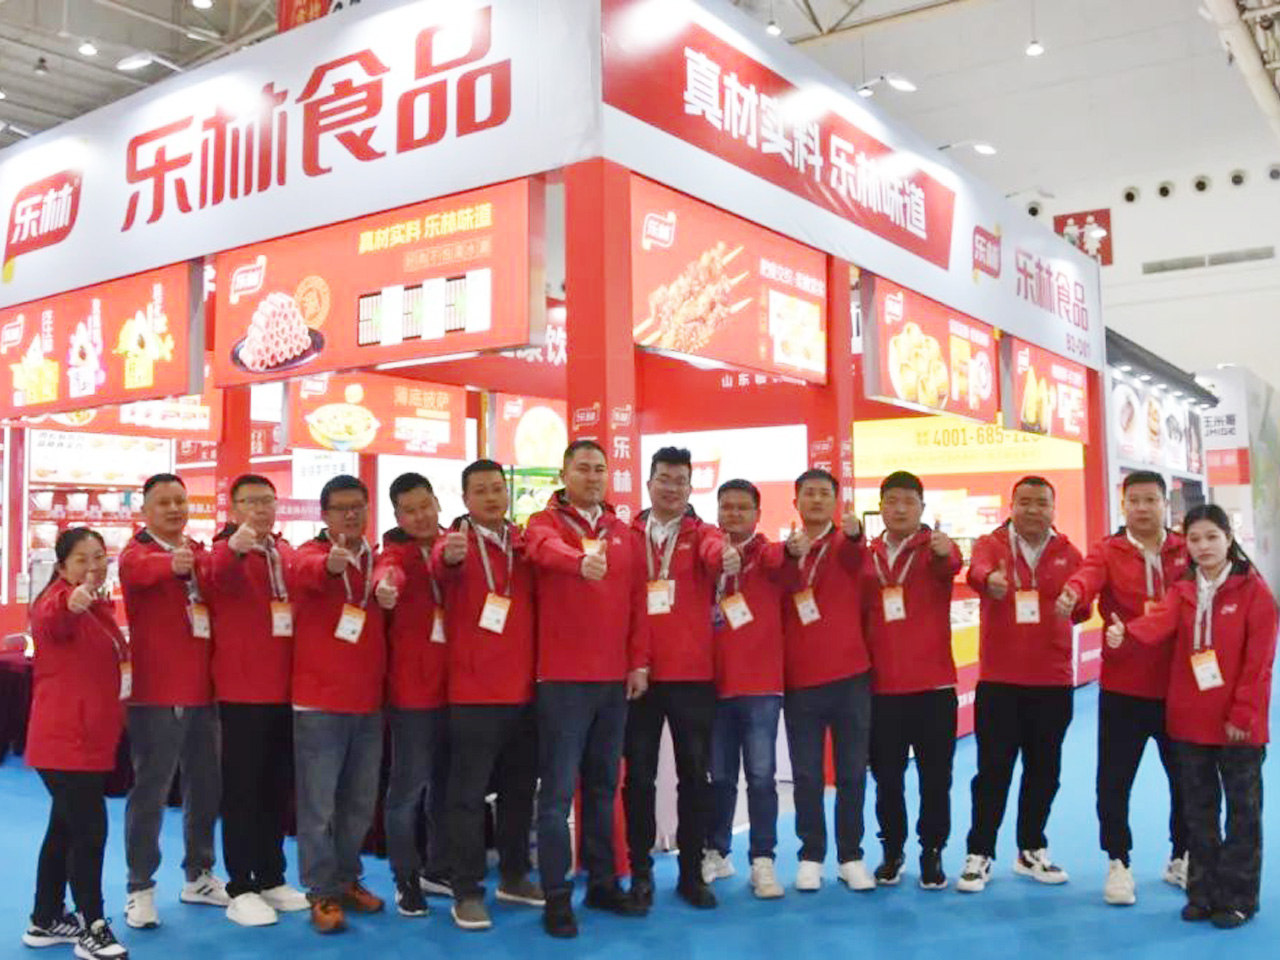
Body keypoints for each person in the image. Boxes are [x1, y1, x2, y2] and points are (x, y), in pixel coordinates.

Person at [1106, 504, 1278, 929]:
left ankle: (1238, 898)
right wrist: (1125, 633)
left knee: (1242, 815)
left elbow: (1259, 664)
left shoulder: (1255, 592)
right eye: (1195, 539)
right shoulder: (1182, 590)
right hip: (1189, 721)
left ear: (1228, 539)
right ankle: (1202, 893)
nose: (1203, 547)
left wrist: (1243, 713)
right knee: (1198, 814)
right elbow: (1157, 625)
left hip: (1238, 726)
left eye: (1211, 537)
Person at [525, 440, 650, 939]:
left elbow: (638, 603)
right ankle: (557, 895)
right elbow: (542, 550)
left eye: (600, 469)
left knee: (603, 787)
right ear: (564, 474)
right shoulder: (544, 524)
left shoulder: (623, 533)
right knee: (557, 794)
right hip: (561, 681)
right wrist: (577, 559)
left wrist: (637, 663)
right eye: (583, 468)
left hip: (612, 682)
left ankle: (602, 882)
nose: (593, 476)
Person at [1057, 470, 1190, 905]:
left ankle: (1182, 856)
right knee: (1113, 782)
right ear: (1123, 505)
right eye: (1134, 501)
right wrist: (1072, 593)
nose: (1142, 508)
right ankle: (1118, 862)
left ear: (1164, 504)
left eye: (1150, 500)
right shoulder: (1108, 551)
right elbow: (1087, 577)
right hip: (1124, 688)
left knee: (1186, 780)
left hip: (1177, 688)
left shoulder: (1184, 549)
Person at [958, 476, 1086, 894]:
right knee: (992, 773)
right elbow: (976, 571)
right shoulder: (991, 544)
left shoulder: (1069, 553)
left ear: (1053, 508)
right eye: (1025, 502)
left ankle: (1031, 848)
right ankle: (979, 853)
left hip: (1052, 681)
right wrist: (987, 580)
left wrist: (1076, 603)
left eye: (1041, 503)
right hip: (1000, 682)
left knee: (1044, 773)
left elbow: (1084, 608)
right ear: (1011, 506)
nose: (1033, 510)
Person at [432, 459, 542, 931]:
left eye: (498, 488)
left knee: (519, 792)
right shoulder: (454, 542)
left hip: (525, 691)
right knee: (467, 797)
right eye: (481, 491)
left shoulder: (523, 543)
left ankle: (514, 876)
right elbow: (440, 565)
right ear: (465, 499)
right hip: (473, 693)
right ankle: (467, 890)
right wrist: (449, 557)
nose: (492, 497)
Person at [624, 447, 734, 911]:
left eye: (680, 481)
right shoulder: (627, 536)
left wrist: (725, 556)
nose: (672, 488)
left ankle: (691, 874)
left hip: (692, 676)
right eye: (664, 479)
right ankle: (641, 874)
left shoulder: (703, 533)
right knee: (639, 779)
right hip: (639, 676)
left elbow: (715, 552)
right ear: (650, 483)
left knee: (694, 777)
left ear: (691, 487)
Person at [119, 473, 226, 929]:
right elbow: (140, 572)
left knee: (206, 788)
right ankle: (139, 887)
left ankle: (199, 874)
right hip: (156, 695)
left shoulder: (198, 552)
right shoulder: (135, 553)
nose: (174, 509)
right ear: (145, 511)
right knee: (151, 793)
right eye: (163, 502)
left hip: (204, 692)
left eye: (180, 501)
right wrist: (174, 565)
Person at [207, 474, 310, 927]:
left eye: (268, 501)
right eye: (251, 502)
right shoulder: (224, 552)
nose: (262, 509)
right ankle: (240, 885)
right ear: (233, 509)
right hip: (241, 691)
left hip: (285, 690)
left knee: (275, 788)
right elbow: (216, 576)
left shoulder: (282, 552)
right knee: (243, 791)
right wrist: (234, 548)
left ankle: (271, 876)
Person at [23, 528, 129, 959]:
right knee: (89, 830)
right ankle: (93, 926)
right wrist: (70, 602)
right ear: (62, 567)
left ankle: (45, 918)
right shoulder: (57, 602)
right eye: (82, 559)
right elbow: (54, 618)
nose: (93, 567)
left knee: (64, 829)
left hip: (89, 738)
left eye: (99, 557)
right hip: (65, 741)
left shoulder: (100, 607)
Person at [290, 475, 389, 934]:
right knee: (319, 807)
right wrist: (329, 566)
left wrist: (389, 581)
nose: (351, 515)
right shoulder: (309, 554)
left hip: (368, 701)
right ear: (324, 515)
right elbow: (303, 572)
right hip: (319, 704)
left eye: (358, 507)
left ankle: (348, 878)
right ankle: (320, 890)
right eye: (341, 508)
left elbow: (393, 572)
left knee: (359, 804)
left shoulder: (376, 559)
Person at [861, 472, 962, 890]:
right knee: (887, 778)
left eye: (908, 501)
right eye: (892, 501)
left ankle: (932, 850)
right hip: (881, 689)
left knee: (936, 778)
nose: (900, 508)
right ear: (881, 506)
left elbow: (952, 564)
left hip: (933, 687)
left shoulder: (935, 549)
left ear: (922, 507)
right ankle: (892, 849)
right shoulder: (866, 555)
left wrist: (947, 550)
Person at [781, 468, 873, 893]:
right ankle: (811, 855)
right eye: (809, 493)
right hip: (801, 679)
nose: (816, 500)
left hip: (851, 677)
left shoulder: (848, 545)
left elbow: (859, 562)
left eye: (824, 494)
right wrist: (788, 556)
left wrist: (856, 536)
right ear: (796, 501)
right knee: (806, 775)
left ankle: (850, 856)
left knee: (852, 773)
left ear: (835, 502)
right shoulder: (787, 549)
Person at [702, 479, 787, 900]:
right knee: (719, 778)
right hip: (714, 684)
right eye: (727, 507)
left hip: (760, 685)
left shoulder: (768, 556)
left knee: (761, 777)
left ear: (757, 513)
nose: (733, 514)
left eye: (742, 508)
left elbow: (781, 557)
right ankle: (717, 851)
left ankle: (763, 860)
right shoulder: (707, 556)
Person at [379, 473, 451, 918]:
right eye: (410, 510)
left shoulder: (456, 544)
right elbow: (387, 574)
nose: (420, 516)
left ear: (438, 502)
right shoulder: (394, 554)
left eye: (425, 506)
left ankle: (438, 868)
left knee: (447, 786)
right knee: (407, 789)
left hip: (459, 690)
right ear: (398, 516)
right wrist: (385, 587)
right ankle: (405, 877)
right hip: (412, 694)